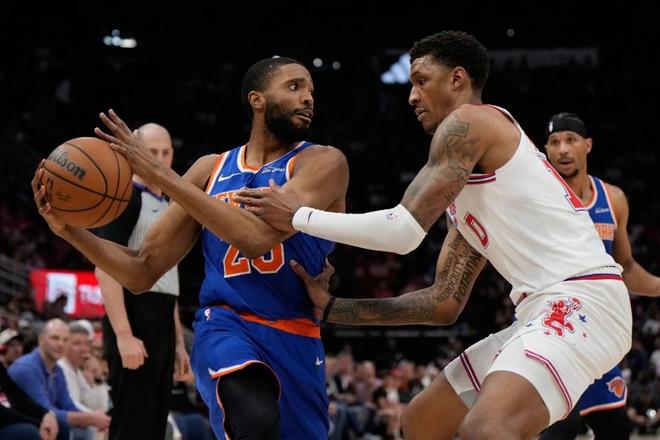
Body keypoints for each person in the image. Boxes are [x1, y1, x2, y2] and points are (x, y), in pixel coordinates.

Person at [234, 31, 632, 440]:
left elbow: (402, 232)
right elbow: (443, 302)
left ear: (457, 78)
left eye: (421, 81)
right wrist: (335, 308)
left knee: (487, 430)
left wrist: (298, 216)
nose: (411, 96)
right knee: (422, 422)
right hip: (539, 311)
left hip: (582, 299)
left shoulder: (472, 121)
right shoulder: (474, 195)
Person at [31, 56, 348, 439]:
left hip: (297, 334)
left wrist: (161, 175)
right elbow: (142, 270)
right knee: (256, 423)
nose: (308, 97)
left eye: (311, 90)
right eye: (294, 87)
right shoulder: (209, 170)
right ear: (257, 99)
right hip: (227, 327)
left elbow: (256, 238)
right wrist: (70, 231)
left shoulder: (324, 162)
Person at [539, 112, 660, 439]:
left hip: (598, 336)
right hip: (555, 331)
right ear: (546, 150)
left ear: (588, 145)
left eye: (571, 140)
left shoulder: (613, 199)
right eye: (554, 142)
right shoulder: (537, 198)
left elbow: (627, 267)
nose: (563, 149)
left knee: (615, 430)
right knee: (560, 428)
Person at [92, 122, 191, 440]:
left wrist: (179, 345)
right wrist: (124, 336)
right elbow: (105, 268)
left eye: (165, 152)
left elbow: (167, 281)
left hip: (162, 314)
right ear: (133, 153)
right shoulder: (124, 197)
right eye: (151, 152)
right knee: (131, 422)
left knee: (154, 423)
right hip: (134, 314)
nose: (159, 159)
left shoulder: (167, 203)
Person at [9, 319, 111, 439]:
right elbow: (43, 411)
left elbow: (68, 404)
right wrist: (91, 418)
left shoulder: (57, 369)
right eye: (55, 338)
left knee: (82, 429)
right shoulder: (25, 369)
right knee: (75, 430)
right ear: (41, 340)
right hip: (24, 427)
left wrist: (95, 419)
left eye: (65, 340)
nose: (60, 344)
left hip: (44, 424)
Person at [0, 359, 59, 440]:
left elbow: (18, 396)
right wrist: (39, 424)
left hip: (12, 417)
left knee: (58, 425)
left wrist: (46, 414)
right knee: (29, 432)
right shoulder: (25, 367)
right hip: (4, 423)